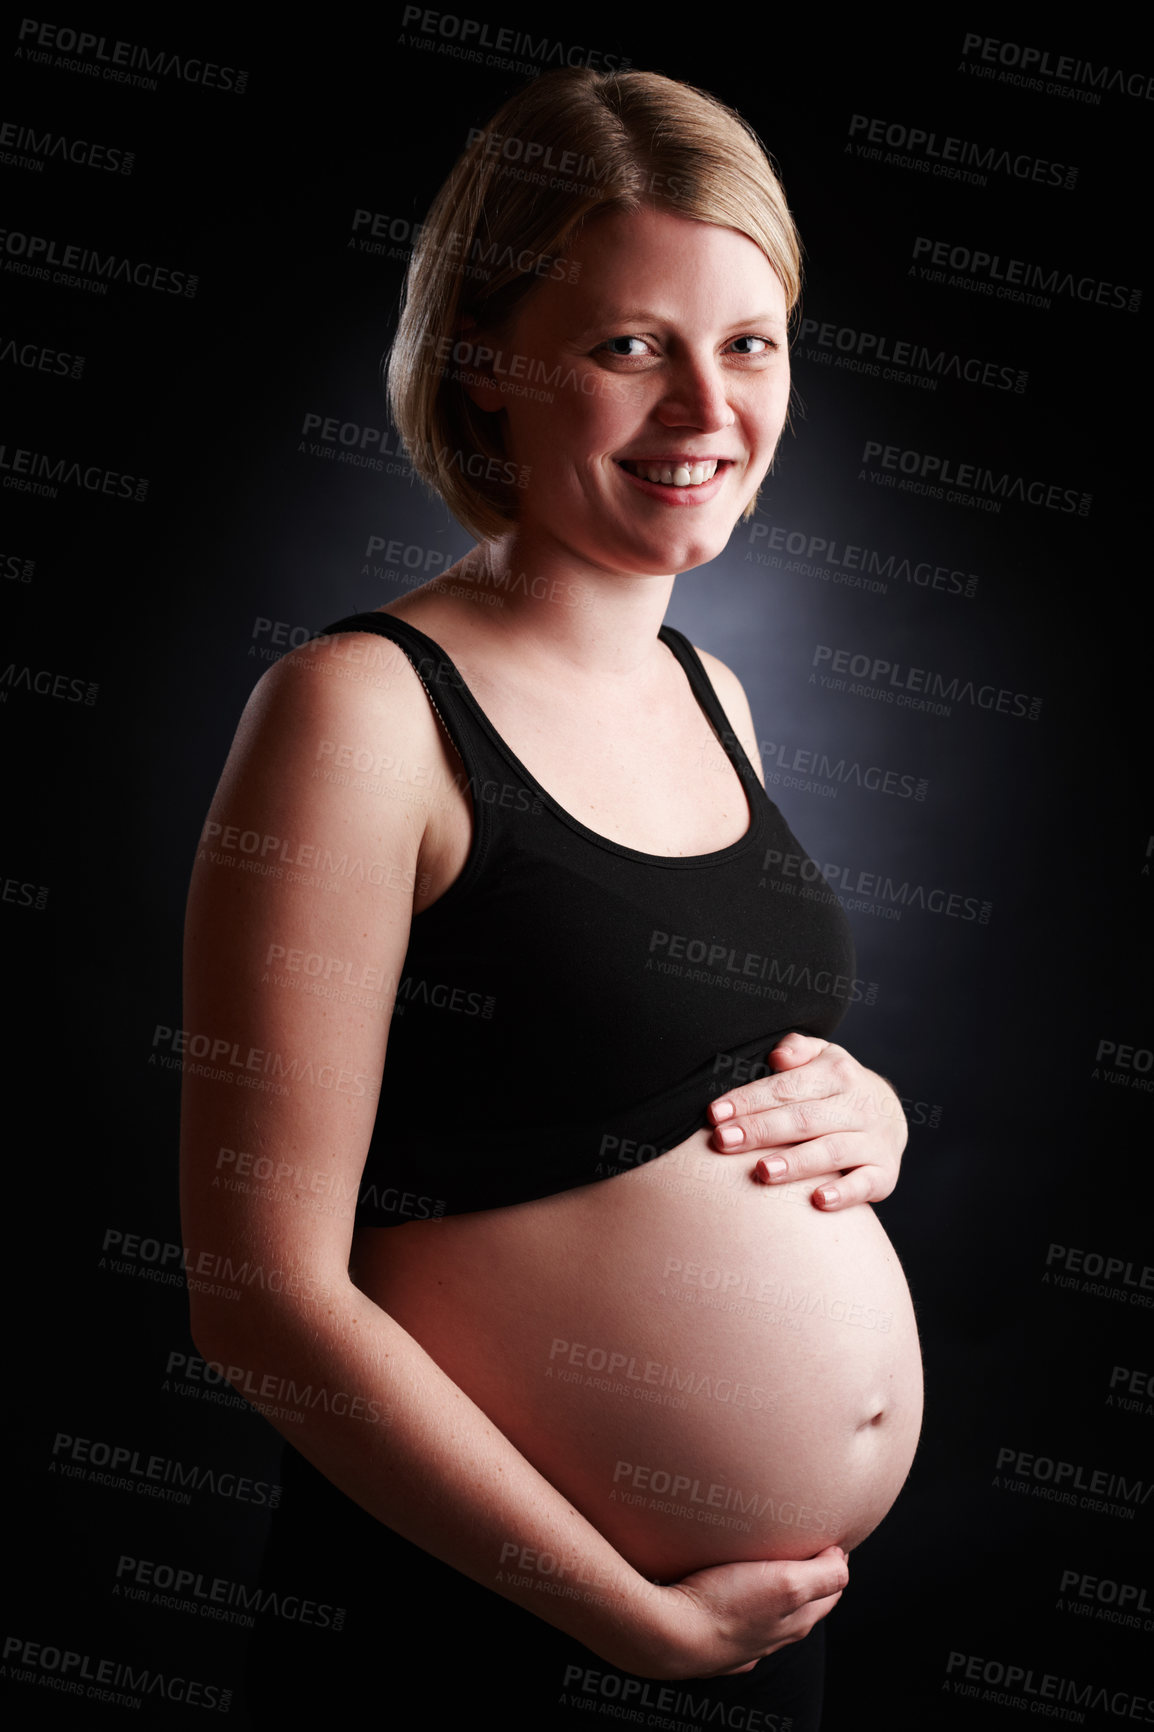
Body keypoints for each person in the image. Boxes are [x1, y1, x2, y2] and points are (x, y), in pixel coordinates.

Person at [180, 67, 922, 1730]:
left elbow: (653, 1068)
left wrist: (857, 1109)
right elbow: (257, 1291)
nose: (703, 411)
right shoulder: (357, 714)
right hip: (482, 1634)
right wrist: (628, 1624)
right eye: (625, 348)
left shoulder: (713, 692)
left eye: (747, 343)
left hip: (753, 1643)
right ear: (484, 365)